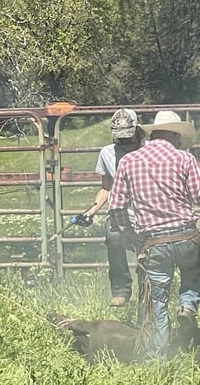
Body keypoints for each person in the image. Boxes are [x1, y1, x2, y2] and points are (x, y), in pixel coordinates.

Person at [109, 110, 200, 359]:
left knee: (157, 299)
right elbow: (198, 195)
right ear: (174, 136)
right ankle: (188, 304)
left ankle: (160, 355)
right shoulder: (185, 159)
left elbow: (116, 205)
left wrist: (126, 234)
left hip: (152, 241)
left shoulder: (129, 161)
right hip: (186, 235)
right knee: (193, 275)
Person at [80, 109, 143, 307]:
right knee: (113, 237)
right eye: (120, 139)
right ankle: (121, 289)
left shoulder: (148, 150)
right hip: (120, 210)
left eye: (127, 138)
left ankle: (148, 291)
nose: (124, 143)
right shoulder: (107, 153)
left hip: (146, 209)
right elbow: (106, 188)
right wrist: (91, 211)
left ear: (137, 130)